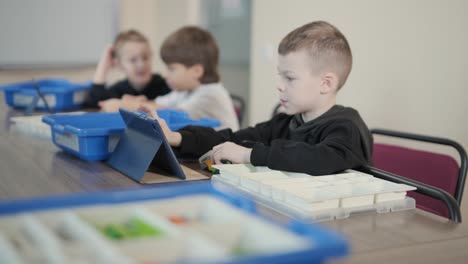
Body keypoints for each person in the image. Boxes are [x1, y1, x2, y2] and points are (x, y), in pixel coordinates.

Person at [141, 21, 373, 175]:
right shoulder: (285, 122)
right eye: (279, 75)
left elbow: (319, 159)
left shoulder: (347, 128)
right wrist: (178, 138)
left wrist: (250, 154)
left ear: (326, 83)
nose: (279, 85)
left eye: (290, 78)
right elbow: (233, 138)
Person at [136, 26, 240, 131]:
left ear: (196, 71)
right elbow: (156, 104)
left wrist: (131, 105)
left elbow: (171, 114)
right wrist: (137, 103)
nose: (165, 75)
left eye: (171, 69)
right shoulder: (185, 90)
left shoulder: (211, 95)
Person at [84, 29, 170, 111]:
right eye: (133, 60)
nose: (141, 65)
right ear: (119, 65)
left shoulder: (165, 85)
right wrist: (102, 67)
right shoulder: (118, 90)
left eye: (145, 57)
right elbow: (93, 105)